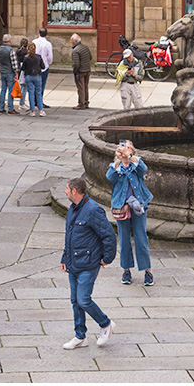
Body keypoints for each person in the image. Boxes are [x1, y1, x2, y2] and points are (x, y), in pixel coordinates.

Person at [60, 177, 117, 349]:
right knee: (75, 301)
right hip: (73, 263)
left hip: (88, 264)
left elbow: (109, 236)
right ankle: (80, 337)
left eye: (67, 189)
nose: (65, 191)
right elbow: (69, 237)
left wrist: (107, 259)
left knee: (83, 300)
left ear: (74, 191)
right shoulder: (73, 208)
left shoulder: (93, 210)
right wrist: (64, 258)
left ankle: (106, 324)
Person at [106, 142, 154, 286]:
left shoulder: (137, 163)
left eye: (127, 147)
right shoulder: (114, 166)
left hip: (138, 206)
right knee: (124, 239)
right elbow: (110, 178)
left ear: (132, 150)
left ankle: (147, 271)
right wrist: (119, 160)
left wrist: (130, 157)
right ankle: (126, 270)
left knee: (141, 238)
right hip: (122, 207)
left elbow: (143, 169)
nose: (124, 149)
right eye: (122, 147)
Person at [20, 37, 46, 116]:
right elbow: (43, 66)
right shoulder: (38, 57)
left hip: (28, 76)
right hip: (37, 76)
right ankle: (41, 110)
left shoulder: (26, 58)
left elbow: (23, 68)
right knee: (38, 93)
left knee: (31, 93)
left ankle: (32, 111)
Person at [0, 34, 17, 115]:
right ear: (9, 41)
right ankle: (10, 108)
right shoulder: (11, 50)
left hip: (2, 71)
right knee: (10, 90)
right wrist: (16, 72)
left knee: (3, 90)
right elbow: (14, 63)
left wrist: (0, 68)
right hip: (10, 72)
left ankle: (1, 107)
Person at [70, 34, 92, 109]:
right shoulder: (85, 47)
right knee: (85, 86)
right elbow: (90, 57)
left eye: (71, 41)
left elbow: (76, 64)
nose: (70, 42)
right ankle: (86, 102)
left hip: (81, 71)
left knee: (80, 88)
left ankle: (81, 104)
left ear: (75, 42)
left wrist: (75, 71)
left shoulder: (75, 50)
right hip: (87, 70)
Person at [33, 28, 54, 108]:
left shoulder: (34, 42)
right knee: (41, 85)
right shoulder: (48, 44)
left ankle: (35, 100)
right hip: (44, 67)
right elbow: (50, 57)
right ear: (46, 34)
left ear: (39, 33)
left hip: (34, 66)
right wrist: (48, 63)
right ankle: (39, 101)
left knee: (35, 84)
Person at [15, 37, 31, 114]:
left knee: (22, 87)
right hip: (24, 70)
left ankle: (22, 102)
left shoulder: (17, 51)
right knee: (24, 87)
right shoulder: (26, 52)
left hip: (19, 70)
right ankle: (21, 103)